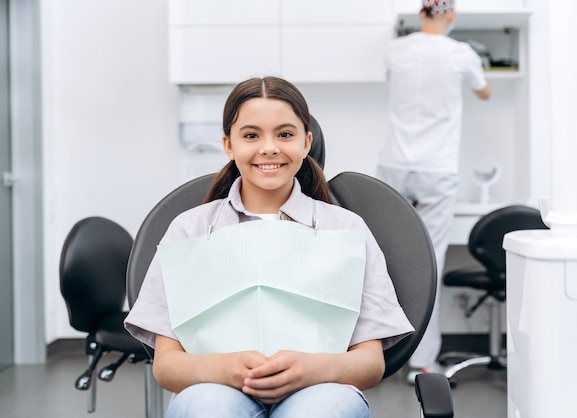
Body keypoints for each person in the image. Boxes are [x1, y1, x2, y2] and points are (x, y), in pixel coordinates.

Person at [125, 76, 414, 418]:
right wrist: (225, 369)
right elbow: (166, 365)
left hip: (320, 388)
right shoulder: (189, 230)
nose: (269, 148)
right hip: (214, 389)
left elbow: (370, 362)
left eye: (285, 134)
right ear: (228, 145)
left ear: (306, 142)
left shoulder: (346, 229)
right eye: (251, 135)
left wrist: (310, 369)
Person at [376, 0, 492, 384]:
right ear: (451, 14)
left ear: (421, 12)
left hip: (394, 163)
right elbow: (485, 93)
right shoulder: (461, 54)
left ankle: (379, 353)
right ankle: (423, 363)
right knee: (432, 262)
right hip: (437, 168)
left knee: (383, 261)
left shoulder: (395, 50)